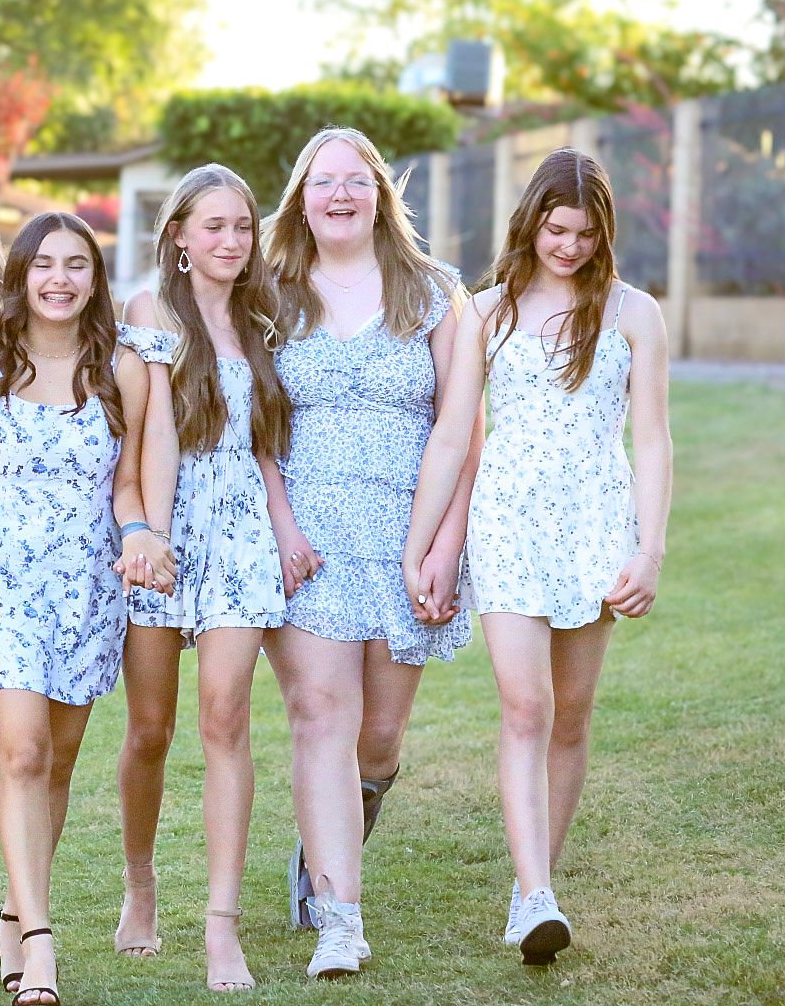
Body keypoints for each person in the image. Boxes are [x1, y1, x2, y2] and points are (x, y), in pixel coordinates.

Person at [403, 148, 671, 966]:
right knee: (527, 708)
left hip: (596, 525)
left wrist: (649, 550)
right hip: (509, 524)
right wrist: (424, 543)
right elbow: (454, 434)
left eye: (586, 234)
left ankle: (533, 888)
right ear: (531, 222)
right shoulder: (486, 312)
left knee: (571, 715)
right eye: (557, 230)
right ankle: (537, 897)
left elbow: (654, 441)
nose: (570, 246)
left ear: (605, 233)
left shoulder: (634, 314)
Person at [0, 211, 170, 1006]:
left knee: (57, 762)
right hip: (6, 581)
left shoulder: (122, 370)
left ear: (94, 279)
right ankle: (39, 944)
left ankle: (10, 915)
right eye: (44, 265)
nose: (59, 280)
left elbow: (126, 485)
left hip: (89, 584)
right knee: (23, 752)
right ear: (21, 275)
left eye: (76, 265)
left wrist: (140, 534)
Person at [263, 127, 478, 978]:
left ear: (382, 195)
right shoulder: (269, 295)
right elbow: (253, 427)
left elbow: (461, 430)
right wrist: (281, 525)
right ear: (302, 199)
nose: (340, 195)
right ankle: (339, 919)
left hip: (406, 538)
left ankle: (326, 845)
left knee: (378, 740)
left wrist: (439, 545)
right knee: (322, 715)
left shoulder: (437, 292)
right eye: (324, 182)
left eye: (356, 180)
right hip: (308, 541)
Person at [113, 165, 295, 992]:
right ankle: (140, 884)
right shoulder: (151, 312)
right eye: (213, 226)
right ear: (180, 236)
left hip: (242, 534)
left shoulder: (264, 318)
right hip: (165, 522)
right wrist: (150, 534)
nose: (231, 240)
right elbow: (147, 430)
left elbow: (266, 443)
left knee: (226, 719)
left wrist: (285, 531)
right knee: (151, 729)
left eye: (243, 226)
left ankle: (223, 926)